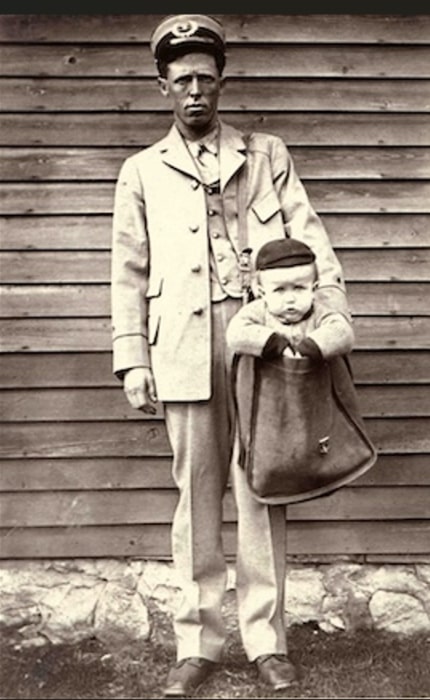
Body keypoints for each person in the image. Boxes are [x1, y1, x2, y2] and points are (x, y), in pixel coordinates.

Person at [111, 14, 352, 698]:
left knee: (262, 492)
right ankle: (197, 643)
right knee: (196, 501)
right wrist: (133, 359)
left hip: (263, 350)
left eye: (206, 81)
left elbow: (311, 241)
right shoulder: (141, 172)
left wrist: (328, 319)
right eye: (182, 80)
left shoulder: (266, 155)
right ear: (163, 86)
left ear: (221, 85)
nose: (196, 93)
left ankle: (266, 641)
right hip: (182, 349)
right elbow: (127, 271)